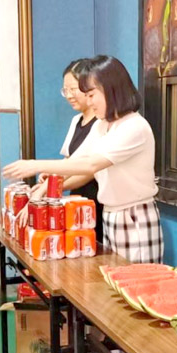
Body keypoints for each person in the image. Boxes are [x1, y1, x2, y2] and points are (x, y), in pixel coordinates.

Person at [4, 55, 162, 353]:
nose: (88, 101)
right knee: (118, 308)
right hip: (116, 218)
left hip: (136, 221)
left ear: (112, 89)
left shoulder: (134, 127)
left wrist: (36, 166)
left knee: (136, 311)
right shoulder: (107, 126)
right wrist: (46, 187)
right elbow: (78, 167)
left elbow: (90, 165)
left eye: (92, 94)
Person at [56, 59, 103, 241]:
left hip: (96, 201)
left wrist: (55, 187)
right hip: (76, 201)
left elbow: (89, 170)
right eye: (65, 90)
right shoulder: (76, 121)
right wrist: (53, 176)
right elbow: (69, 161)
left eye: (73, 89)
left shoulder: (101, 123)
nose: (69, 95)